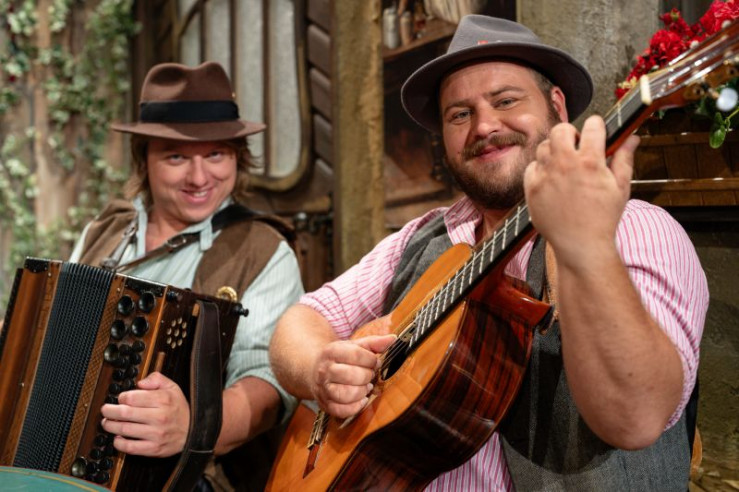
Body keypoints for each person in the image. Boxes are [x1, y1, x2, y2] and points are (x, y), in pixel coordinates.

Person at [269, 15, 709, 490]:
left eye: (505, 101)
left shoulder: (631, 229)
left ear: (557, 107)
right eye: (459, 115)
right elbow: (302, 320)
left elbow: (636, 419)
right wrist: (319, 370)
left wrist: (586, 246)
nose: (484, 126)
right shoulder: (423, 235)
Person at [69, 61, 303, 489]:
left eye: (216, 154)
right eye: (176, 156)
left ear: (237, 157)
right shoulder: (103, 231)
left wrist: (195, 427)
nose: (199, 178)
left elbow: (269, 386)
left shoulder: (264, 250)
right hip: (73, 461)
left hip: (187, 478)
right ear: (145, 159)